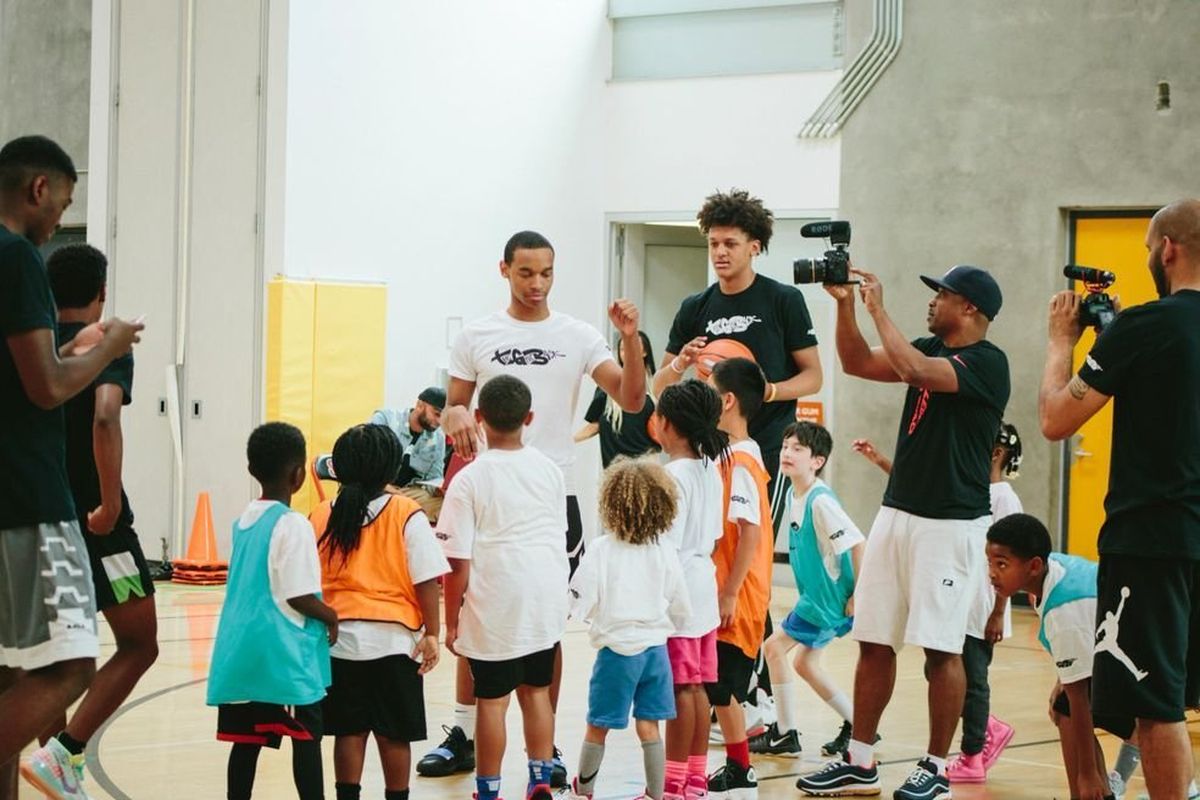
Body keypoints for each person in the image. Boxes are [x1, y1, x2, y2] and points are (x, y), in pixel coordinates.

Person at [420, 230, 645, 784]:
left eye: (546, 273)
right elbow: (453, 404)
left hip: (552, 494)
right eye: (526, 273)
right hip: (489, 486)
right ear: (504, 270)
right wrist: (452, 414)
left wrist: (632, 341)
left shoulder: (579, 334)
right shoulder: (477, 334)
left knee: (548, 623)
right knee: (475, 612)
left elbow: (633, 399)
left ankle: (546, 752)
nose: (537, 284)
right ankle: (464, 732)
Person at [797, 264, 1009, 800]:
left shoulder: (988, 362)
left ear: (972, 309)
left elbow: (916, 370)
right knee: (873, 639)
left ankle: (936, 767)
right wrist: (846, 305)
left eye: (943, 295)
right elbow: (855, 362)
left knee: (941, 649)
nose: (933, 302)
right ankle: (860, 760)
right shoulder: (923, 346)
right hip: (898, 513)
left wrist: (877, 309)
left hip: (952, 522)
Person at [1038, 199, 1200, 800]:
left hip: (1152, 539)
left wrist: (1062, 341)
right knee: (1182, 696)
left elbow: (1057, 418)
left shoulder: (1146, 326)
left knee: (1157, 705)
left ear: (1168, 249)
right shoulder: (1145, 331)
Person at [0, 135, 142, 794]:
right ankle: (63, 753)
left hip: (31, 504)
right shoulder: (19, 258)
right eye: (64, 198)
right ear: (38, 190)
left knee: (11, 671)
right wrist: (108, 345)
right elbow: (84, 404)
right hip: (49, 508)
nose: (62, 212)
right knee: (80, 662)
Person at [654, 188, 823, 726]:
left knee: (744, 571)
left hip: (761, 450)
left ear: (755, 245)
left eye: (730, 243)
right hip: (707, 454)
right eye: (713, 243)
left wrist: (764, 391)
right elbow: (659, 388)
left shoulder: (781, 301)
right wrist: (679, 363)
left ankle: (754, 697)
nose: (720, 252)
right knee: (714, 569)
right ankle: (745, 694)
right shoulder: (694, 309)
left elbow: (813, 375)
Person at [21, 245, 159, 798]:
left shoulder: (31, 348)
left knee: (47, 658)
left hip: (36, 517)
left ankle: (54, 761)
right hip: (100, 529)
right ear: (102, 291)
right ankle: (65, 752)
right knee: (139, 643)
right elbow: (105, 417)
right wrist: (107, 505)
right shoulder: (106, 342)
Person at [852, 423, 1024, 783]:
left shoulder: (1003, 498)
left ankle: (973, 754)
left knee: (973, 680)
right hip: (961, 599)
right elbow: (919, 487)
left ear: (992, 453)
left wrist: (997, 612)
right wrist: (880, 459)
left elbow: (1012, 560)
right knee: (939, 670)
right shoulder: (962, 486)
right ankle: (988, 725)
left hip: (982, 608)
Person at [438, 375, 569, 800]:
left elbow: (456, 562)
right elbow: (559, 537)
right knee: (536, 696)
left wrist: (451, 622)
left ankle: (488, 791)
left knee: (491, 702)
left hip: (496, 602)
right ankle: (540, 780)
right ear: (528, 418)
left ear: (477, 419)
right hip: (544, 600)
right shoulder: (550, 471)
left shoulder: (469, 479)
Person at [309, 423, 449, 800]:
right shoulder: (406, 512)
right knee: (394, 735)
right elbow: (426, 579)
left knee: (349, 732)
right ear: (391, 468)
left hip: (337, 643)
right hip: (393, 641)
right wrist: (432, 634)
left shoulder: (321, 514)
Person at [206, 422, 338, 800]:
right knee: (307, 739)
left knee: (245, 742)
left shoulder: (244, 521)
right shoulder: (292, 523)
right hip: (283, 657)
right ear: (298, 475)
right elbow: (299, 595)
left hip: (243, 652)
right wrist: (330, 615)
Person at [567, 457, 691, 800]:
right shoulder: (665, 550)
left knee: (599, 724)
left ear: (610, 502)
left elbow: (581, 601)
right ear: (663, 505)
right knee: (650, 726)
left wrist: (592, 616)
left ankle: (585, 790)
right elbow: (681, 605)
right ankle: (655, 793)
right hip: (655, 652)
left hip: (617, 653)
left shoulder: (602, 549)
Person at [984, 514, 1120, 800]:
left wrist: (1087, 775)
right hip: (1118, 659)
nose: (992, 573)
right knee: (1064, 704)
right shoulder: (1052, 568)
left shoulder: (1063, 608)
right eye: (990, 563)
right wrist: (1065, 679)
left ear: (1033, 566)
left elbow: (1079, 698)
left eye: (1002, 564)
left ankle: (1089, 790)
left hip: (1148, 670)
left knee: (1072, 706)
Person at [751, 422, 864, 760]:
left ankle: (784, 734)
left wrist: (859, 595)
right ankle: (860, 726)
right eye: (785, 446)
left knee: (773, 648)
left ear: (818, 460)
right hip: (816, 598)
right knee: (805, 664)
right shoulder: (792, 493)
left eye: (798, 448)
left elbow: (858, 544)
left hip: (826, 601)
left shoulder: (820, 502)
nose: (787, 453)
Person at [654, 379, 729, 800]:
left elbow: (667, 543)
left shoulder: (672, 474)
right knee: (698, 685)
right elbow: (714, 535)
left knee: (681, 687)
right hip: (704, 581)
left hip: (680, 585)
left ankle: (672, 782)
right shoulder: (710, 468)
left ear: (666, 423)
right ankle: (696, 778)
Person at [705, 358, 775, 800]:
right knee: (717, 686)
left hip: (739, 594)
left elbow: (748, 529)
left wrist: (730, 591)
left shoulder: (743, 461)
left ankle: (741, 769)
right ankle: (737, 765)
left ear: (727, 400)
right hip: (726, 589)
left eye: (710, 390)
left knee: (721, 685)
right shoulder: (729, 454)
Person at [575, 330, 660, 468]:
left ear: (645, 352)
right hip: (615, 469)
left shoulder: (656, 386)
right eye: (622, 348)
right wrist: (569, 440)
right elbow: (595, 425)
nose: (627, 351)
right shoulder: (608, 385)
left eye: (633, 347)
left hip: (647, 466)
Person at [369, 386, 448, 522]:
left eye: (443, 417)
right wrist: (391, 491)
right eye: (436, 414)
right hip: (376, 487)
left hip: (409, 493)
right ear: (419, 405)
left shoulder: (438, 438)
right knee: (404, 506)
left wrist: (440, 490)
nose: (440, 421)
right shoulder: (385, 420)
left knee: (448, 507)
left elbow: (434, 477)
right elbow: (366, 465)